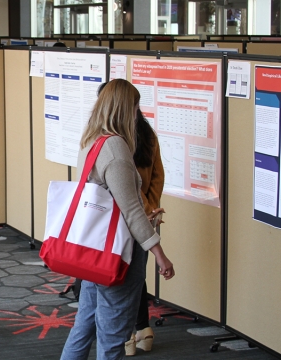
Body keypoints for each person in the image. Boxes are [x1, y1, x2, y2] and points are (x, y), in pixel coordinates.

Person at [60, 79, 174, 359]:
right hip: (118, 251)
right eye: (135, 107)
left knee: (85, 325)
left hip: (95, 246)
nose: (137, 113)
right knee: (113, 337)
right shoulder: (116, 150)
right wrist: (160, 254)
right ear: (126, 109)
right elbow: (132, 211)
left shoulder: (92, 139)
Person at [124, 109, 165, 355]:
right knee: (137, 274)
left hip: (123, 218)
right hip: (146, 216)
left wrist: (143, 209)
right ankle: (143, 328)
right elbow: (157, 176)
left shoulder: (115, 137)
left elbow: (126, 185)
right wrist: (150, 207)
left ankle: (127, 334)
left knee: (121, 276)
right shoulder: (148, 133)